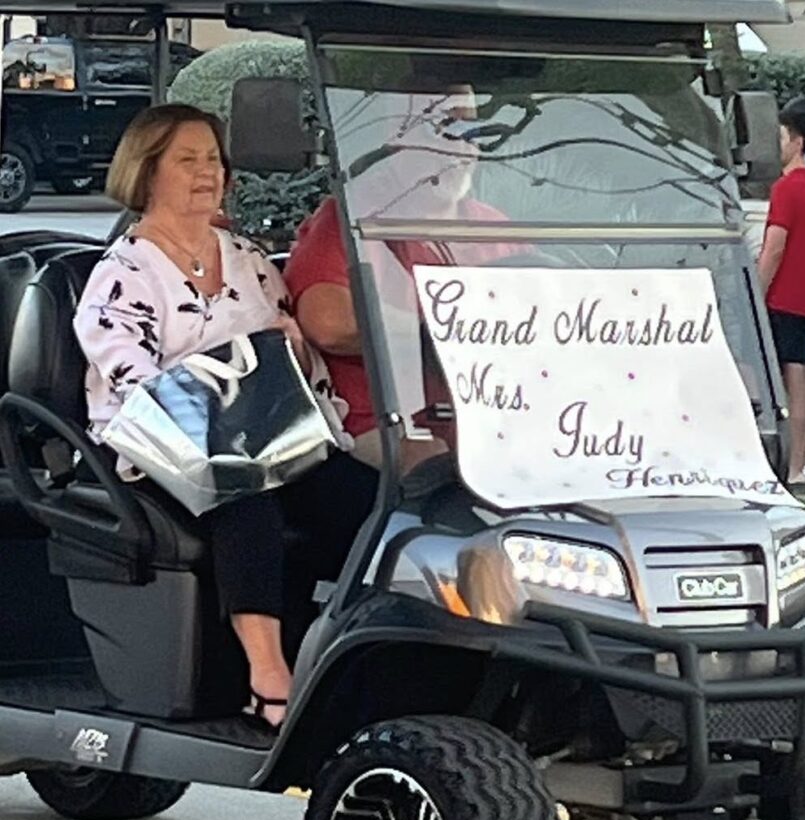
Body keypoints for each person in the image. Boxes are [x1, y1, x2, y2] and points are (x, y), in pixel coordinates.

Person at [74, 104, 377, 731]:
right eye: (187, 159)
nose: (207, 171)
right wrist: (233, 376)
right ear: (146, 172)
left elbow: (294, 349)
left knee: (365, 499)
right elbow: (135, 382)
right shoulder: (122, 275)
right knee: (245, 497)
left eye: (213, 157)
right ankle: (267, 677)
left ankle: (364, 663)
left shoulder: (245, 259)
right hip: (158, 444)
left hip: (260, 433)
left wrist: (292, 348)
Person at [284, 82, 517, 465]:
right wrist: (443, 332)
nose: (463, 146)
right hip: (390, 422)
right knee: (444, 469)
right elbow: (327, 322)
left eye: (473, 131)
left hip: (493, 416)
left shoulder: (493, 227)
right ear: (399, 137)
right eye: (444, 129)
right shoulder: (354, 216)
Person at [757, 96, 805, 485]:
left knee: (790, 383)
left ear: (796, 141)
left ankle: (788, 468)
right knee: (804, 381)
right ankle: (801, 465)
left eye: (780, 137)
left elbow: (774, 247)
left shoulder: (787, 189)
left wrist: (754, 296)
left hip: (785, 299)